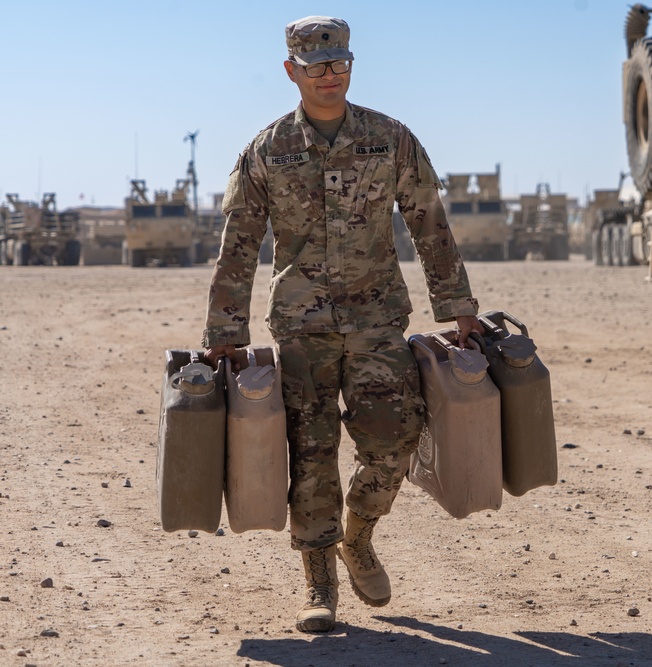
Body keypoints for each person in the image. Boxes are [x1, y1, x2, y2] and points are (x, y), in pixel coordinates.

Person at [201, 15, 484, 633]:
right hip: (302, 325)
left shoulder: (391, 139)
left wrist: (459, 306)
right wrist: (225, 327)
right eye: (316, 66)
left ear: (350, 65)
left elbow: (429, 222)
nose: (330, 74)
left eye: (339, 63)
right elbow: (239, 243)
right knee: (311, 451)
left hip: (378, 316)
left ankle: (359, 533)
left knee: (395, 437)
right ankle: (319, 578)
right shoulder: (266, 150)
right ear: (292, 71)